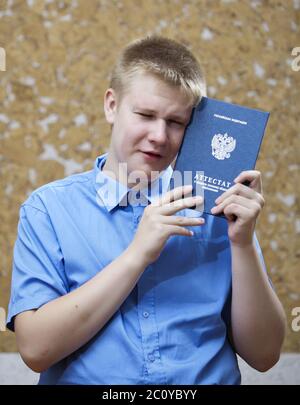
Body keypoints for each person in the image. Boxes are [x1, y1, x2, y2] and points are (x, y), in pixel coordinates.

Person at [6, 35, 286, 385]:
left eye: (176, 122)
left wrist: (243, 244)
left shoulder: (219, 206)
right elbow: (35, 350)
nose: (159, 135)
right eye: (145, 114)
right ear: (111, 105)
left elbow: (264, 356)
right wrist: (138, 254)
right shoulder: (48, 209)